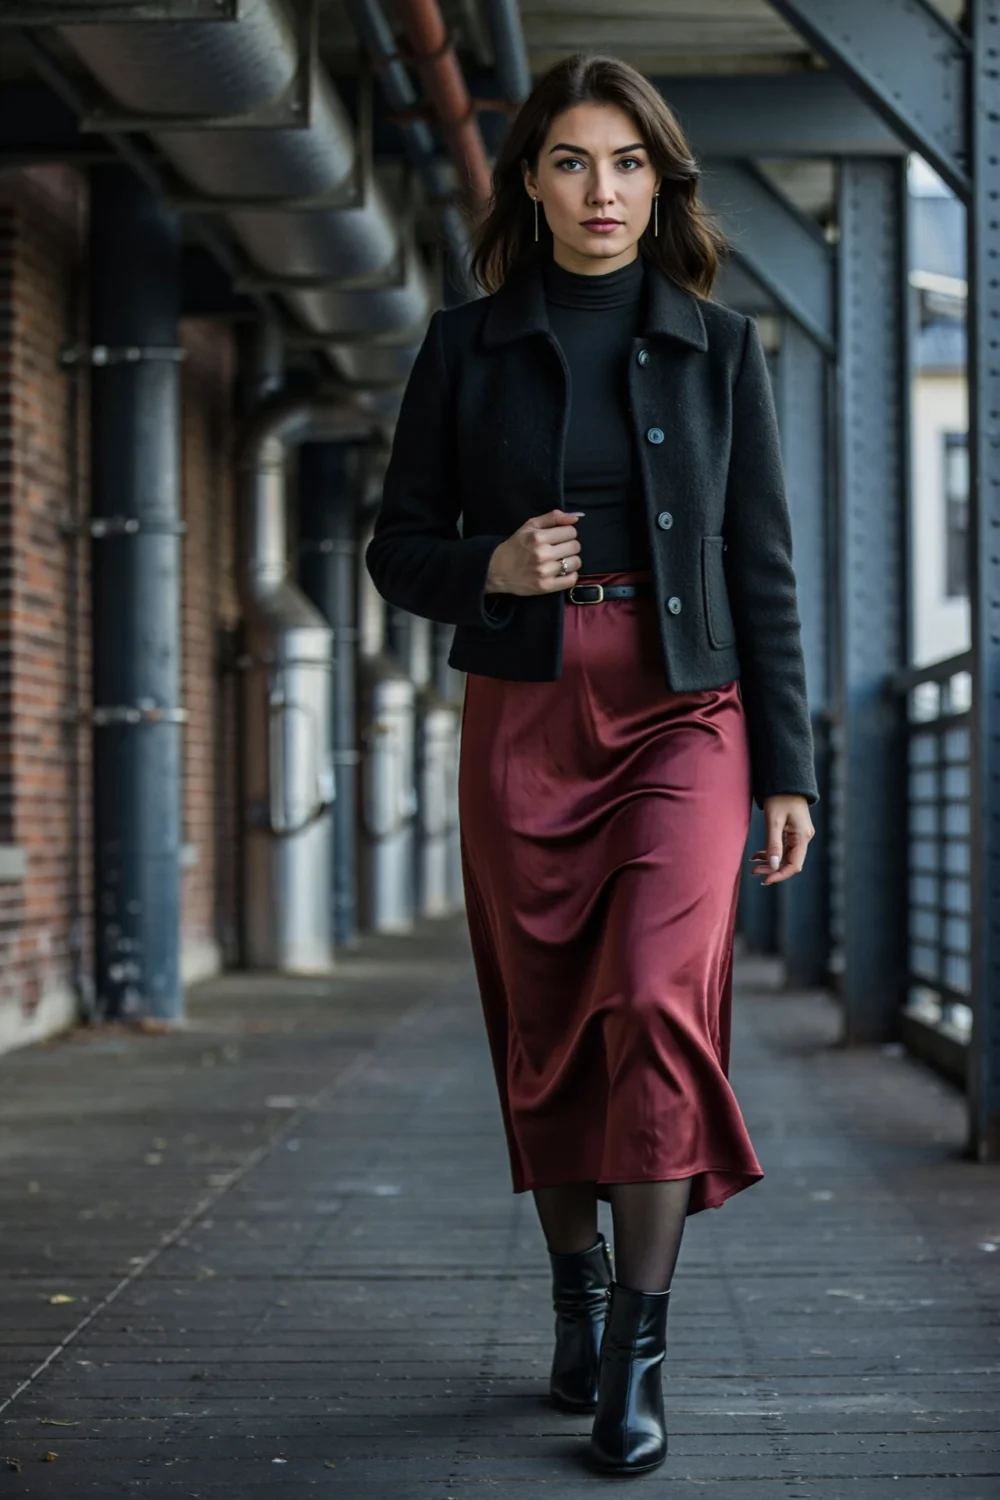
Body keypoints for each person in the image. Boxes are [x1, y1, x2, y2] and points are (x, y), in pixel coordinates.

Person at [366, 51, 818, 1477]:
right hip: (526, 710)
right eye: (571, 160)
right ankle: (571, 1299)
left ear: (659, 182)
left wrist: (790, 766)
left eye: (626, 162)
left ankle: (638, 1343)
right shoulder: (464, 345)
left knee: (649, 1001)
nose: (601, 189)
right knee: (548, 1018)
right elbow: (396, 550)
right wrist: (492, 565)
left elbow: (763, 568)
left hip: (689, 713)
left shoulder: (719, 345)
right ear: (533, 184)